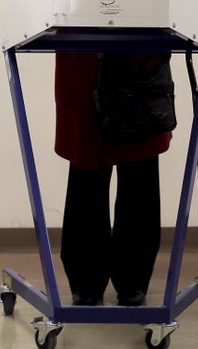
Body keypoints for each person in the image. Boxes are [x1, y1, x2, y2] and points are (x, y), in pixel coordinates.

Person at [53, 52, 174, 307]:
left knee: (139, 176)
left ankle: (132, 279)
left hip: (139, 62)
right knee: (87, 175)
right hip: (84, 55)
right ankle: (86, 280)